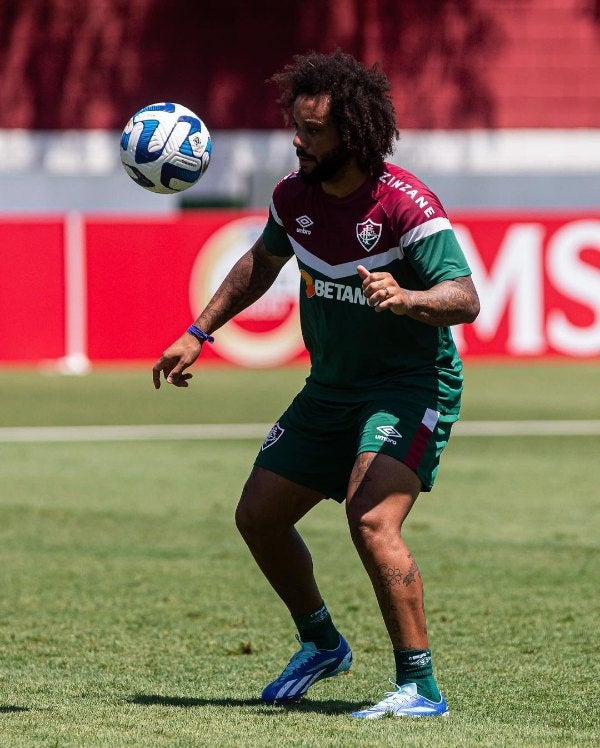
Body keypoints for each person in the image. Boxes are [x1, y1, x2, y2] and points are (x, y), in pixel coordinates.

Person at [152, 50, 479, 719]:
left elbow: (465, 298)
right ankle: (322, 643)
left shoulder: (404, 206)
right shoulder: (291, 197)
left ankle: (420, 688)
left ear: (353, 136)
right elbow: (260, 263)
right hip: (330, 386)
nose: (298, 140)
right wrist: (199, 331)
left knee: (370, 518)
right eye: (295, 126)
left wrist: (409, 299)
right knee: (258, 516)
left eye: (314, 131)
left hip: (410, 384)